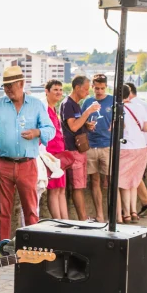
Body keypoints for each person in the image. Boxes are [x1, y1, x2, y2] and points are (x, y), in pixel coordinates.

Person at [0, 65, 54, 240]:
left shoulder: (36, 104)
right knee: (3, 211)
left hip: (27, 164)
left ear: (22, 83)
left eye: (11, 85)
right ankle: (3, 247)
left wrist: (37, 132)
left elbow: (50, 129)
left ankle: (31, 245)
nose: (8, 89)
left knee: (31, 209)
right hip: (3, 164)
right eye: (5, 86)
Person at [60, 75, 100, 222]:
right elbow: (73, 126)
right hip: (73, 150)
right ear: (77, 88)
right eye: (85, 89)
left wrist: (86, 125)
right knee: (77, 186)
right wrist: (88, 112)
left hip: (80, 149)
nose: (88, 93)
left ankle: (84, 218)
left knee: (81, 185)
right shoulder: (68, 104)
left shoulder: (75, 104)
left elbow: (78, 124)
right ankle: (83, 220)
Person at [82, 73, 113, 222]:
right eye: (97, 88)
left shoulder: (112, 101)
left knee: (111, 181)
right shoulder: (87, 102)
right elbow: (80, 121)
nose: (99, 91)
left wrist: (115, 125)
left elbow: (123, 121)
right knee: (94, 181)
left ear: (106, 86)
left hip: (107, 146)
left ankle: (116, 215)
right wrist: (86, 124)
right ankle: (100, 215)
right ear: (93, 87)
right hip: (91, 146)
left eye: (102, 88)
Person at [119, 83, 147, 223]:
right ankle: (133, 212)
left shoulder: (118, 108)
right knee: (134, 182)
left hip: (126, 147)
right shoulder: (139, 107)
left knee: (123, 183)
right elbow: (146, 127)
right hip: (141, 147)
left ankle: (126, 214)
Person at [44, 79, 69, 220]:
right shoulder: (44, 109)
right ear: (47, 91)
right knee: (53, 189)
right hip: (51, 155)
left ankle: (65, 221)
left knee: (61, 189)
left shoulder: (54, 109)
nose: (59, 92)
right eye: (55, 89)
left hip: (60, 155)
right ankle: (58, 222)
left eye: (60, 90)